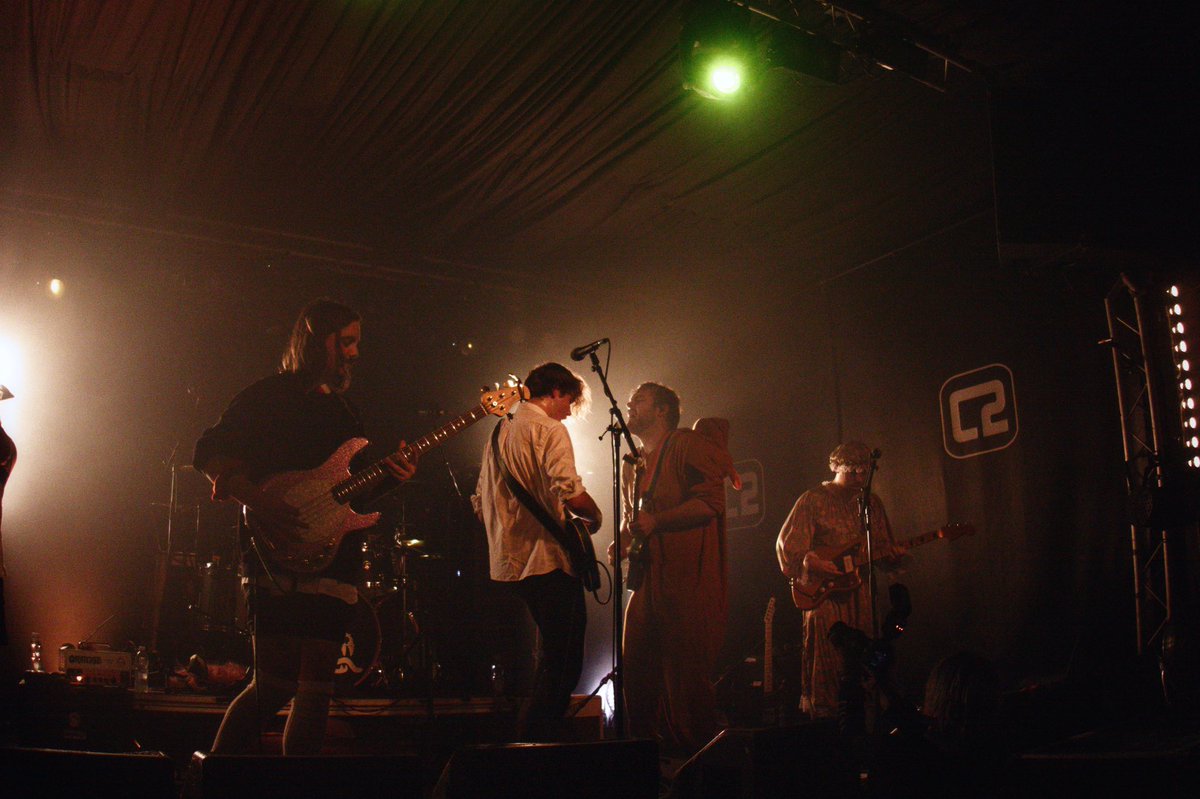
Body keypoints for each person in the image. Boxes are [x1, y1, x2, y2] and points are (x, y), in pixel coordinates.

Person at [193, 298, 417, 755]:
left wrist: (393, 475)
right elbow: (208, 450)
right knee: (273, 684)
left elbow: (352, 490)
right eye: (348, 342)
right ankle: (209, 779)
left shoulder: (345, 412)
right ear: (321, 340)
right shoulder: (266, 396)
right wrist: (258, 501)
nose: (355, 353)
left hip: (334, 554)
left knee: (317, 690)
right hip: (271, 551)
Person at [472, 361, 602, 741]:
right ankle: (536, 748)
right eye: (569, 402)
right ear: (557, 392)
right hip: (547, 559)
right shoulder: (549, 428)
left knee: (547, 661)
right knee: (563, 663)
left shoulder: (498, 433)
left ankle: (533, 744)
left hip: (511, 563)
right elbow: (570, 491)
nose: (568, 413)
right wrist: (594, 515)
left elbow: (480, 504)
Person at [613, 382, 735, 758]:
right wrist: (621, 540)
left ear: (663, 410)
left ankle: (701, 766)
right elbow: (635, 517)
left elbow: (710, 502)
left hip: (686, 580)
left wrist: (658, 522)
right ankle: (646, 761)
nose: (630, 405)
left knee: (686, 678)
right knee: (635, 668)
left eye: (640, 400)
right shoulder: (633, 463)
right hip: (647, 580)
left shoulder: (686, 444)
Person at [776, 441, 904, 721]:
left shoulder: (871, 504)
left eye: (863, 473)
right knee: (832, 660)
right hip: (826, 597)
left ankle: (867, 727)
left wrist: (893, 556)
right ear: (838, 468)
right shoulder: (813, 499)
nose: (859, 479)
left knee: (865, 663)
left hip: (861, 594)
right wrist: (812, 561)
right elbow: (789, 546)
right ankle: (830, 726)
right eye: (853, 473)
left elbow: (882, 549)